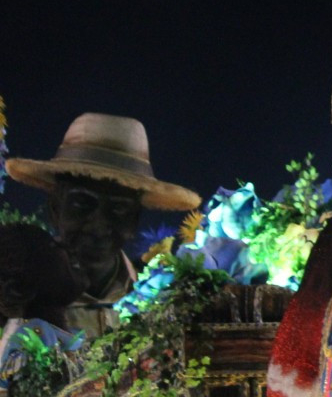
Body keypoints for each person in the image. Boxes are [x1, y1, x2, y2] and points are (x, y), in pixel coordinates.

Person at [6, 113, 200, 337]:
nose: (98, 227)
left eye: (118, 208)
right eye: (82, 203)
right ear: (55, 209)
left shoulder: (167, 302)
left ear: (134, 220)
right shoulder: (15, 299)